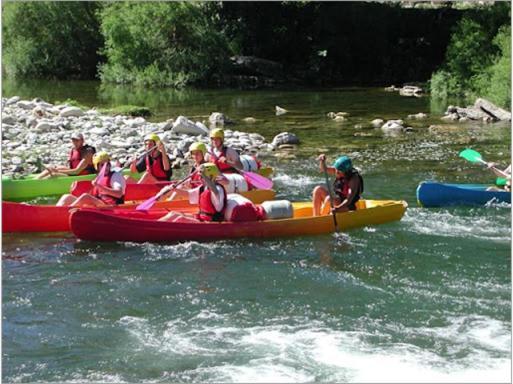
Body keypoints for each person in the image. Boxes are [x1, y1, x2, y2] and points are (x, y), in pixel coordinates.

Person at [158, 162, 227, 223]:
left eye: (202, 177)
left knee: (181, 219)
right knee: (173, 213)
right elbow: (187, 194)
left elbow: (215, 191)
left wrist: (204, 175)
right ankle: (156, 225)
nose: (200, 179)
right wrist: (174, 189)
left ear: (211, 176)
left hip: (211, 222)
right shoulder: (203, 188)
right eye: (200, 176)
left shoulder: (218, 189)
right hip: (201, 218)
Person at [56, 151, 126, 207]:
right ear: (97, 167)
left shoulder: (115, 176)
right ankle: (56, 213)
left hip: (110, 206)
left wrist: (99, 186)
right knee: (67, 197)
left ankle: (65, 213)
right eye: (102, 165)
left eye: (107, 164)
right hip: (99, 205)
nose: (106, 167)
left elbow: (119, 193)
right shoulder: (99, 177)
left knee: (86, 197)